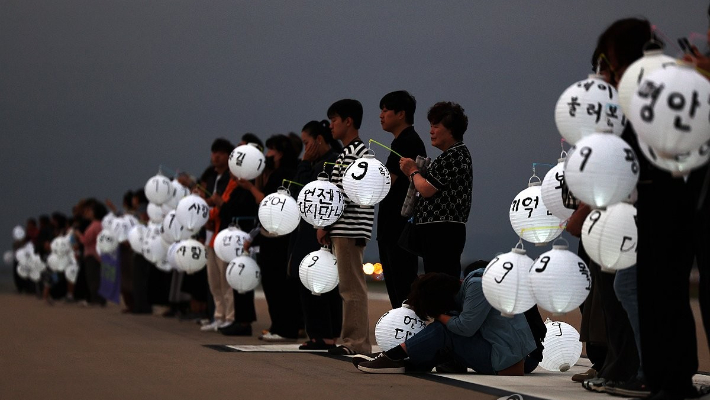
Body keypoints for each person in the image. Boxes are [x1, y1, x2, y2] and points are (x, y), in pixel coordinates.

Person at [354, 271, 536, 375]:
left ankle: (393, 357)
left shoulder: (478, 286)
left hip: (509, 362)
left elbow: (465, 327)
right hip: (510, 357)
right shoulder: (471, 287)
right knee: (446, 332)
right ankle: (403, 363)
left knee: (444, 330)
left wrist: (438, 315)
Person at [317, 99, 374, 355]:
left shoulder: (357, 153)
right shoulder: (350, 152)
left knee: (352, 288)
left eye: (334, 120)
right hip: (346, 228)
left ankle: (356, 342)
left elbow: (343, 194)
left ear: (348, 121)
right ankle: (352, 340)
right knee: (349, 287)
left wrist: (325, 223)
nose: (331, 126)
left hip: (349, 228)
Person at [399, 101, 472, 278]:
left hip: (442, 233)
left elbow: (426, 189)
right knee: (436, 281)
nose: (431, 131)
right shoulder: (451, 155)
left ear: (451, 130)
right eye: (431, 126)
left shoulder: (455, 155)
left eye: (436, 126)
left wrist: (412, 171)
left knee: (440, 282)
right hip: (437, 232)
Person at [239, 134, 301, 341]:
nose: (267, 154)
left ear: (280, 153)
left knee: (276, 284)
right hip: (273, 234)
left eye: (270, 150)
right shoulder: (277, 173)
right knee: (273, 283)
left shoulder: (283, 175)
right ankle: (278, 326)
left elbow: (266, 202)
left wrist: (249, 187)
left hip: (278, 236)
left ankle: (284, 328)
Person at [290, 120, 343, 350]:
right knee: (324, 284)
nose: (305, 149)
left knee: (314, 282)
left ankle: (321, 335)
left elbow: (299, 191)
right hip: (317, 232)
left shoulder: (325, 165)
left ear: (318, 140)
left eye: (307, 143)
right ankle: (326, 334)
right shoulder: (329, 161)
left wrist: (304, 163)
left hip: (316, 233)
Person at [376, 91, 427, 309]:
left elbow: (386, 182)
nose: (381, 115)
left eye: (386, 110)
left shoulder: (406, 142)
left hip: (398, 228)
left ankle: (406, 328)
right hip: (394, 227)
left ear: (401, 114)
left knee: (402, 290)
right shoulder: (402, 141)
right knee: (399, 288)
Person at [201, 138, 237, 332]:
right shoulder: (212, 177)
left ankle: (229, 316)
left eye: (221, 153)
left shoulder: (231, 179)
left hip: (224, 234)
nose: (216, 156)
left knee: (226, 279)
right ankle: (218, 315)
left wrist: (212, 205)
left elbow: (223, 203)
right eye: (214, 152)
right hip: (210, 234)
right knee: (213, 280)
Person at [74, 199, 108, 306]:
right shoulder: (101, 224)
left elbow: (85, 240)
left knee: (93, 279)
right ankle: (100, 299)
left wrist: (78, 234)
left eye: (90, 211)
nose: (88, 212)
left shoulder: (94, 225)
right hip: (99, 254)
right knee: (98, 278)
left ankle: (96, 299)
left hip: (91, 255)